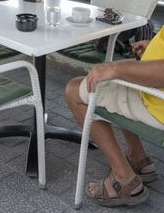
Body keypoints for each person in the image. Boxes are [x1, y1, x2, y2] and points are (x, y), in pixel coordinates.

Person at [65, 27, 164, 207]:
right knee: (119, 80)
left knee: (74, 90)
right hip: (155, 93)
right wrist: (153, 48)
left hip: (157, 102)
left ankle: (125, 179)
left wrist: (116, 68)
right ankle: (138, 158)